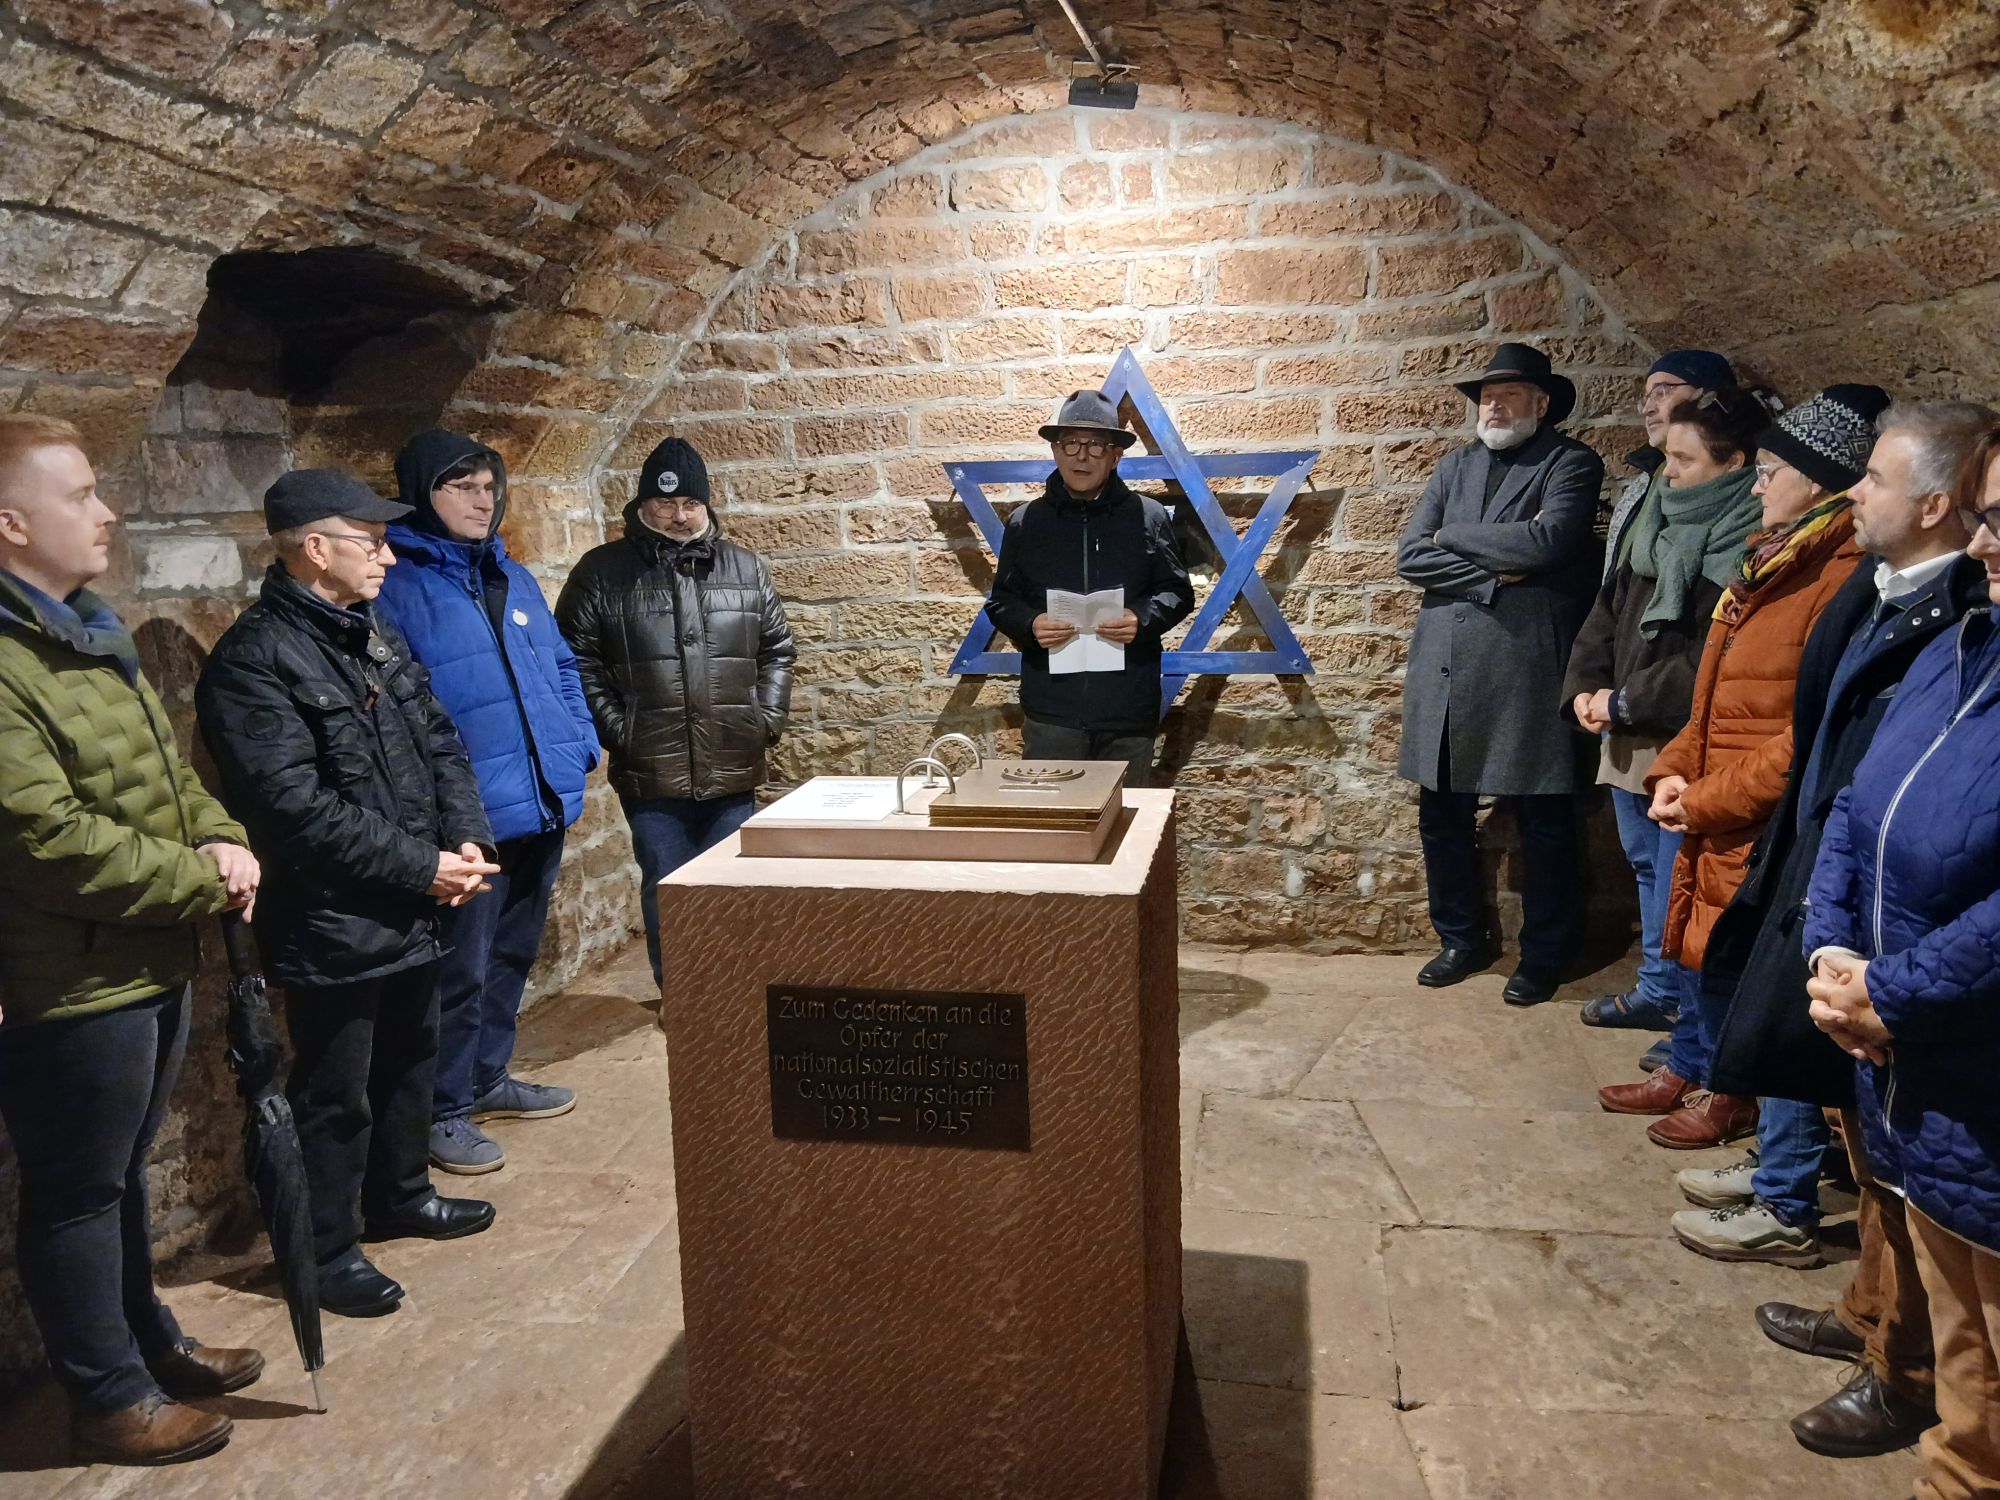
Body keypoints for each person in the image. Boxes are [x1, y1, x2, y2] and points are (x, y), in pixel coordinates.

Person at [1680, 404, 1988, 1398]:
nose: (1855, 491)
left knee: (1910, 1177)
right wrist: (1826, 928)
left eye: (1874, 479)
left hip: (1908, 952)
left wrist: (1872, 967)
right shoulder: (1889, 596)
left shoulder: (1947, 616)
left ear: (1933, 503)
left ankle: (1898, 1366)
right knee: (1872, 1158)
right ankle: (1871, 1320)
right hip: (1842, 907)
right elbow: (1852, 783)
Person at [0, 415, 264, 1465]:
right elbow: (44, 839)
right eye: (79, 496)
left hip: (138, 952)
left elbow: (165, 776)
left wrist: (222, 837)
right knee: (77, 1192)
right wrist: (192, 882)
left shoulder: (82, 627)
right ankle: (107, 1395)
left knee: (112, 1178)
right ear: (11, 523)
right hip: (70, 974)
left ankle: (148, 1342)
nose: (104, 512)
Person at [196, 469, 501, 1321]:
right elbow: (292, 809)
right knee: (334, 1090)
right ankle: (328, 1249)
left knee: (411, 1054)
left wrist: (464, 835)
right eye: (370, 541)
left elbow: (436, 736)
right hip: (333, 911)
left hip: (409, 895)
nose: (388, 555)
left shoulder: (368, 633)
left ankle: (398, 1195)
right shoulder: (255, 660)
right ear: (315, 548)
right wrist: (421, 865)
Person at [1597, 386, 1879, 1147]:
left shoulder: (1837, 578)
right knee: (1692, 942)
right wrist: (1675, 772)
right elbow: (1713, 696)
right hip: (1709, 791)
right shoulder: (1768, 562)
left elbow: (1804, 727)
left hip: (1753, 808)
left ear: (1814, 480)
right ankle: (1692, 1066)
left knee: (1738, 960)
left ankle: (1737, 1104)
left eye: (1768, 471)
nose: (1756, 486)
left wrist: (1706, 797)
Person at [1805, 421, 2000, 1500]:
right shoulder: (1958, 647)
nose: (1984, 547)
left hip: (1960, 1042)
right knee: (1960, 1329)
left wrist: (1891, 991)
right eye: (1986, 517)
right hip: (1910, 1047)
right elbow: (1855, 801)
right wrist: (1836, 950)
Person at [377, 429, 600, 1176]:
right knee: (457, 971)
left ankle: (485, 1077)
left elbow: (563, 667)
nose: (482, 500)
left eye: (487, 485)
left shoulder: (514, 576)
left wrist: (580, 743)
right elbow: (398, 711)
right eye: (460, 486)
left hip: (537, 799)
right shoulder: (399, 584)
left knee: (510, 954)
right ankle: (441, 1109)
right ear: (421, 495)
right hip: (468, 819)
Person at [1395, 342, 1604, 1005]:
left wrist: (1453, 537)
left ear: (1542, 404)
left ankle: (1545, 953)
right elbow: (1409, 554)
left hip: (1525, 664)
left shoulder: (1571, 463)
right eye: (1487, 396)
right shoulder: (1454, 465)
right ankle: (1459, 937)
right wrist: (1491, 579)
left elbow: (1549, 542)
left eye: (1510, 394)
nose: (1494, 405)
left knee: (1544, 818)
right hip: (1449, 665)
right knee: (1443, 811)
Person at [556, 438, 795, 987]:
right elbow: (574, 658)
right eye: (664, 504)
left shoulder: (745, 568)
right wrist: (619, 729)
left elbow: (777, 649)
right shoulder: (601, 571)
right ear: (642, 506)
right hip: (651, 766)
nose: (678, 515)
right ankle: (685, 998)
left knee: (735, 886)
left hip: (733, 758)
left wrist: (765, 720)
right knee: (669, 886)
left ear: (707, 506)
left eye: (690, 503)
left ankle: (739, 991)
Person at [1563, 373, 1759, 1037]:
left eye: (1685, 461)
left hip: (1678, 731)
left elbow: (1710, 651)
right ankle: (1657, 988)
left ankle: (1689, 1018)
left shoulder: (1744, 535)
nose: (1669, 475)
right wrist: (1584, 691)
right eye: (1668, 458)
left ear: (1733, 463)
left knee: (1681, 872)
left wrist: (1622, 700)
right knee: (1646, 863)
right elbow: (1608, 606)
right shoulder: (1653, 515)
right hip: (1621, 720)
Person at [985, 389, 1195, 786]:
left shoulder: (1148, 517)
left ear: (1115, 455)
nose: (1081, 456)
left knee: (1126, 830)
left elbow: (1177, 593)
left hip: (1128, 711)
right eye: (1070, 443)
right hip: (1052, 713)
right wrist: (1030, 624)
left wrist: (1142, 618)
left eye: (1096, 445)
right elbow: (1001, 602)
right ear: (1055, 450)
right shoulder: (1026, 522)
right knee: (1054, 830)